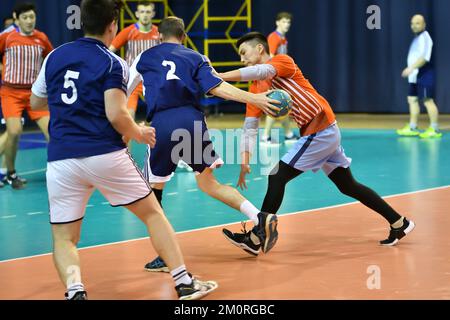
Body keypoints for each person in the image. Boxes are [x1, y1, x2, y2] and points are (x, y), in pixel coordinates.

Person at [30, 0, 217, 300]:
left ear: (82, 21)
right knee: (153, 214)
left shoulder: (54, 56)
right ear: (112, 26)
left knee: (65, 238)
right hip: (104, 153)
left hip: (62, 159)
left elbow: (36, 103)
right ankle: (184, 282)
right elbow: (116, 114)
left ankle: (75, 291)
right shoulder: (112, 62)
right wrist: (138, 132)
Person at [219, 32, 415, 255]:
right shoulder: (256, 88)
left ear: (260, 49)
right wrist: (245, 161)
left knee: (277, 176)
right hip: (322, 132)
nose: (242, 59)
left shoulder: (282, 62)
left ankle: (257, 237)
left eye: (244, 53)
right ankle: (399, 223)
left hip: (320, 129)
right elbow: (250, 126)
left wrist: (221, 76)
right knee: (348, 185)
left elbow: (262, 71)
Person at [127, 17, 280, 272]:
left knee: (154, 192)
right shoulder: (197, 57)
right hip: (192, 121)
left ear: (158, 37)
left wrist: (127, 128)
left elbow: (123, 93)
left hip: (162, 123)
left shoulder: (145, 57)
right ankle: (260, 217)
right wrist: (255, 98)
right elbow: (219, 88)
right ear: (184, 36)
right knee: (209, 183)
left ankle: (166, 257)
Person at [0, 3, 53, 189]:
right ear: (16, 18)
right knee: (14, 131)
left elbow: (51, 59)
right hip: (11, 93)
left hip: (34, 94)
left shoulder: (41, 38)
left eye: (32, 17)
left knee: (53, 132)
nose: (29, 21)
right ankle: (10, 173)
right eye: (25, 17)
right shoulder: (6, 37)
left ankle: (60, 172)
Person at [109, 0, 159, 120]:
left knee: (159, 113)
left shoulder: (159, 32)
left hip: (153, 78)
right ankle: (127, 137)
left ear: (153, 14)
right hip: (132, 78)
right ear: (137, 14)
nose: (145, 15)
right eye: (142, 12)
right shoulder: (128, 31)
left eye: (148, 12)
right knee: (129, 114)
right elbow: (109, 51)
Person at [397, 14, 442, 139]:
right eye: (412, 23)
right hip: (414, 76)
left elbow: (424, 58)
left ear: (424, 24)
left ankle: (434, 128)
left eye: (417, 23)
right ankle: (413, 127)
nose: (414, 26)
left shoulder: (425, 37)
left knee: (428, 100)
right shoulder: (416, 38)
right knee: (412, 99)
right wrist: (411, 71)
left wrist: (411, 68)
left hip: (425, 74)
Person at [261, 11, 299, 144]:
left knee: (284, 104)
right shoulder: (274, 37)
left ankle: (288, 134)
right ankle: (265, 136)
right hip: (274, 76)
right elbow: (269, 57)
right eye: (283, 21)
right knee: (276, 104)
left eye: (288, 22)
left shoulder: (284, 39)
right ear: (277, 23)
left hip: (281, 77)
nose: (286, 24)